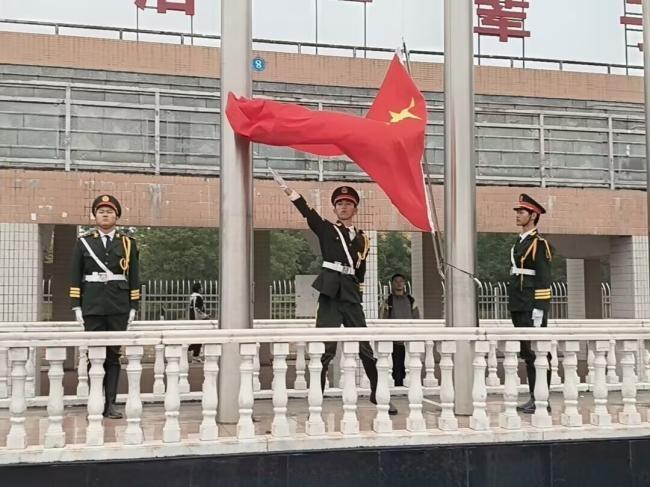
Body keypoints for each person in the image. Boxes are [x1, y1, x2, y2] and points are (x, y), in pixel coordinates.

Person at [270, 168, 397, 415]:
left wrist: (357, 292)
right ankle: (315, 398)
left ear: (355, 208)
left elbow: (360, 270)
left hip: (350, 294)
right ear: (335, 209)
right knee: (324, 348)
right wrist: (289, 191)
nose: (343, 207)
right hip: (330, 293)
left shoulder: (363, 239)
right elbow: (308, 213)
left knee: (365, 347)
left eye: (348, 203)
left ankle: (378, 393)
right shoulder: (328, 229)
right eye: (339, 204)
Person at [70, 194, 140, 419]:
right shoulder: (84, 242)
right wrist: (76, 306)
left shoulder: (127, 243)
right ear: (95, 216)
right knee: (94, 355)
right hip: (92, 305)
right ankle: (95, 401)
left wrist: (133, 306)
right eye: (101, 212)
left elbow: (134, 276)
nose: (105, 215)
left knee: (113, 356)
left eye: (109, 212)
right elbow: (75, 274)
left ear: (116, 216)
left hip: (118, 306)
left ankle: (110, 404)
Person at [508, 193, 553, 414]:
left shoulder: (539, 244)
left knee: (538, 352)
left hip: (531, 305)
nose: (518, 215)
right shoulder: (520, 242)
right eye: (517, 212)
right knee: (527, 353)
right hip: (519, 303)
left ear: (533, 215)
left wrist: (540, 309)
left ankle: (542, 399)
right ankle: (534, 396)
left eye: (522, 212)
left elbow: (544, 278)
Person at [380, 273, 420, 387]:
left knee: (410, 370)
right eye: (396, 281)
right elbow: (382, 319)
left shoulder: (411, 300)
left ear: (404, 283)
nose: (399, 284)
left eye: (401, 281)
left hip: (408, 342)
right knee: (395, 370)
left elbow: (417, 318)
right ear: (392, 284)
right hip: (393, 342)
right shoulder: (388, 301)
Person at [188, 282, 209, 363]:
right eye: (201, 287)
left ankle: (195, 355)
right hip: (198, 320)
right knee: (199, 338)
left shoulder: (192, 297)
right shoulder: (198, 297)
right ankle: (190, 352)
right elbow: (197, 309)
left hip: (192, 319)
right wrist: (205, 316)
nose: (203, 289)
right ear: (199, 289)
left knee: (197, 338)